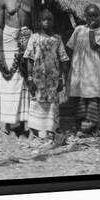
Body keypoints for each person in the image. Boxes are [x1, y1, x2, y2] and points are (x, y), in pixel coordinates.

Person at [0, 0, 36, 136]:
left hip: (26, 37)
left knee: (25, 78)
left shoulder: (29, 1)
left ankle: (23, 123)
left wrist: (33, 43)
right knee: (9, 80)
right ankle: (7, 123)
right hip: (8, 39)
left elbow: (32, 24)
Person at [24, 9, 70, 140]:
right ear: (39, 22)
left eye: (49, 19)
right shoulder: (34, 38)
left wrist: (62, 79)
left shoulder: (57, 39)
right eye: (44, 19)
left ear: (53, 22)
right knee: (35, 102)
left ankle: (51, 131)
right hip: (38, 78)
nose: (47, 22)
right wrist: (30, 78)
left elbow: (64, 59)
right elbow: (29, 58)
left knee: (52, 104)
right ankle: (33, 132)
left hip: (53, 79)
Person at [66, 4, 100, 137]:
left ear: (99, 17)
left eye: (95, 16)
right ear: (85, 16)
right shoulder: (78, 29)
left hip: (93, 70)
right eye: (90, 16)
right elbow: (71, 46)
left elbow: (96, 46)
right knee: (78, 98)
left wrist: (90, 31)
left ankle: (94, 129)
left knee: (93, 97)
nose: (93, 18)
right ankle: (78, 128)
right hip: (78, 69)